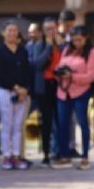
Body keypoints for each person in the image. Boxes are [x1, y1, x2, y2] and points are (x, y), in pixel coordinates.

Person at [51, 25, 94, 170]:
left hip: (81, 93)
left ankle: (85, 156)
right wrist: (60, 73)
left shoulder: (92, 52)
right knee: (63, 125)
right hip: (63, 92)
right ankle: (64, 156)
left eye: (79, 39)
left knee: (83, 124)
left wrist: (73, 76)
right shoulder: (67, 50)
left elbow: (91, 76)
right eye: (74, 39)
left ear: (86, 38)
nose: (76, 42)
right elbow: (60, 66)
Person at [0, 21, 32, 170]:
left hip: (22, 94)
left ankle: (17, 155)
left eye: (15, 30)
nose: (12, 33)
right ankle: (7, 156)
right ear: (4, 33)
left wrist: (25, 90)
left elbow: (28, 71)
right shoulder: (0, 51)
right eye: (9, 30)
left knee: (18, 126)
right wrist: (15, 88)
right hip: (6, 91)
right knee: (7, 125)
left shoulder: (23, 51)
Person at [27, 17, 61, 166]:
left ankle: (61, 152)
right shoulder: (38, 45)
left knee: (61, 120)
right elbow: (36, 64)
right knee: (46, 120)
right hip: (44, 86)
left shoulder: (63, 45)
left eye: (52, 28)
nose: (50, 32)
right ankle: (47, 153)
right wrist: (48, 48)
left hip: (61, 85)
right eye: (47, 29)